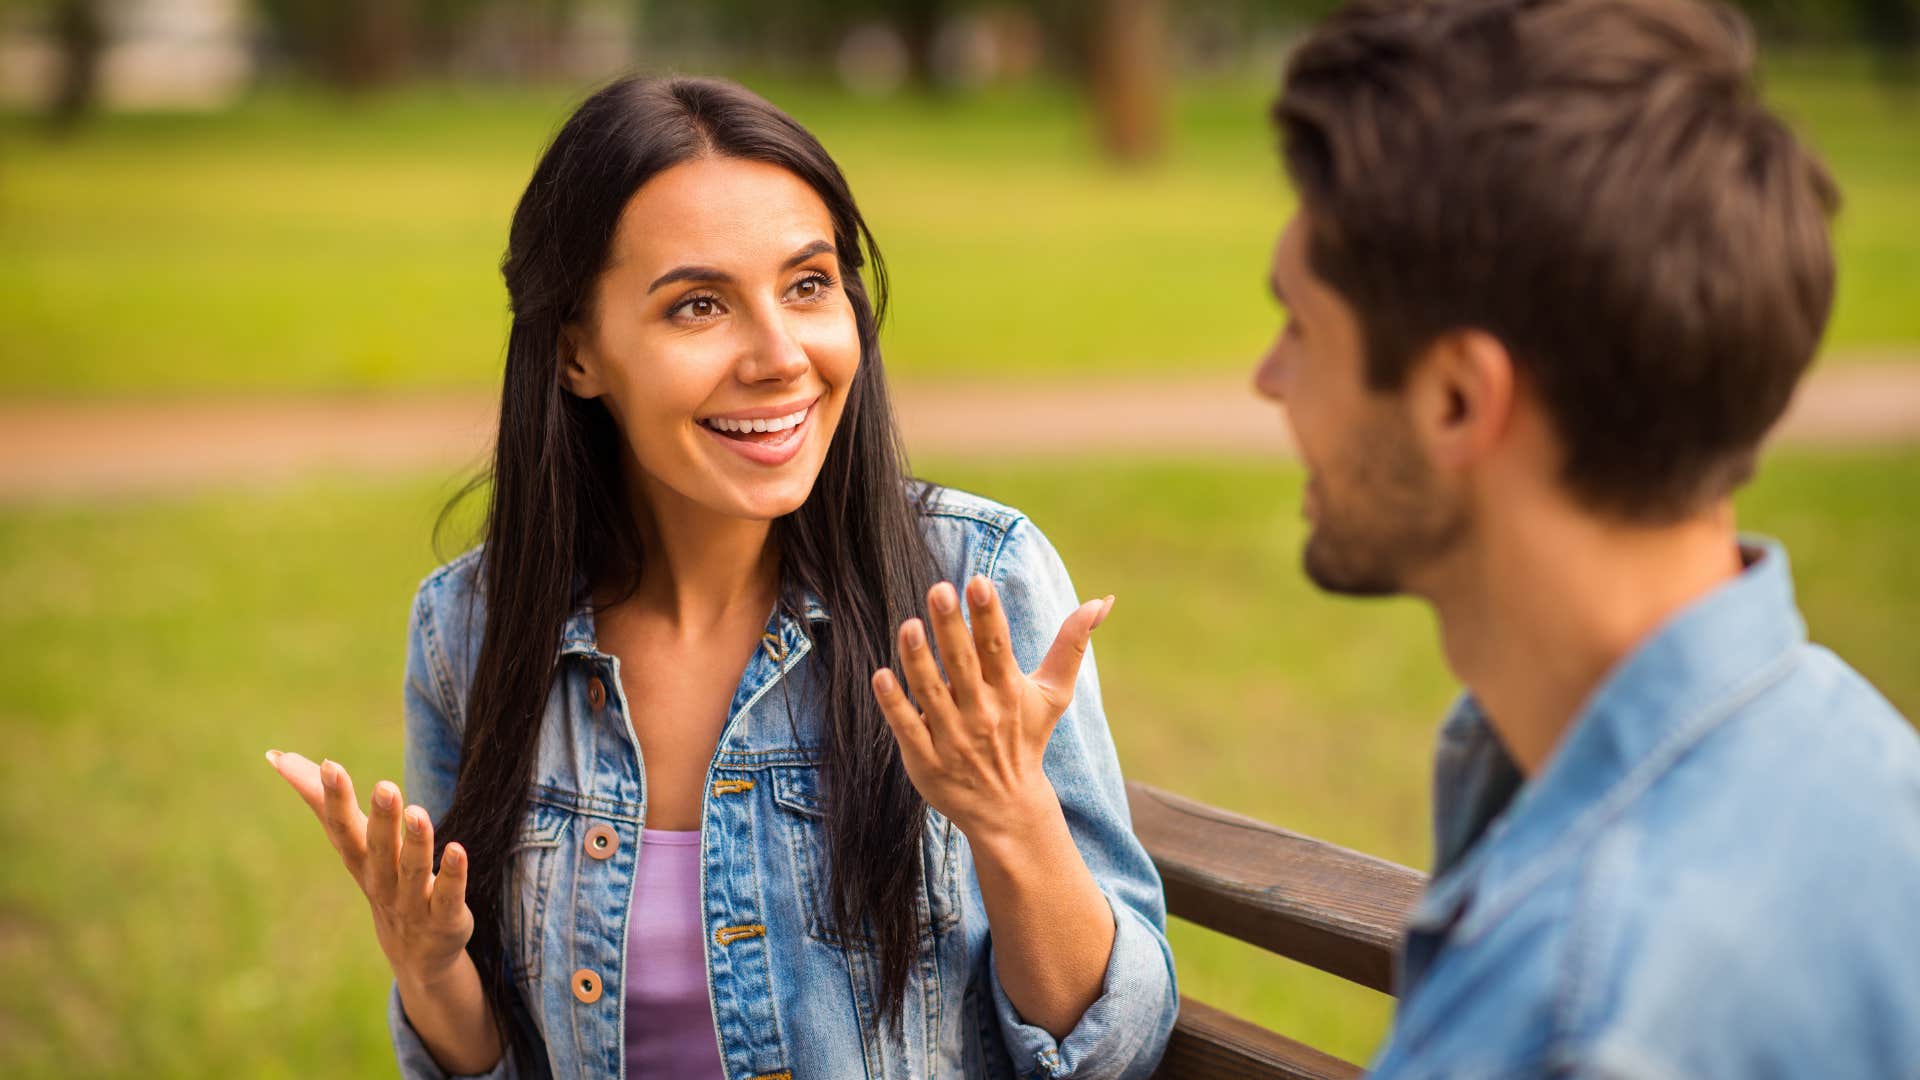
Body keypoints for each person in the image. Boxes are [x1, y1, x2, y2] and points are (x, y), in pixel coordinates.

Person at [267, 75, 1176, 1079]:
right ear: (578, 352)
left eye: (809, 285)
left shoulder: (971, 587)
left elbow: (1114, 1051)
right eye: (699, 306)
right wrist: (430, 969)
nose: (781, 355)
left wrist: (1012, 816)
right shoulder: (473, 630)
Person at [1258, 0, 1920, 1074]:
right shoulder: (1866, 766)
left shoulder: (1578, 1016)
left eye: (1299, 325)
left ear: (1460, 402)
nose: (1268, 379)